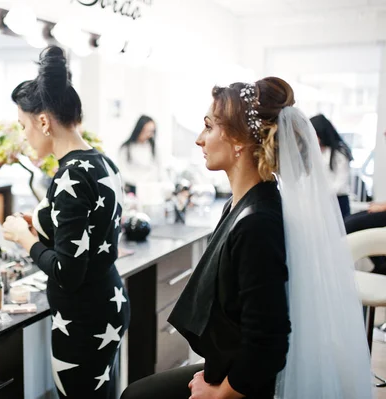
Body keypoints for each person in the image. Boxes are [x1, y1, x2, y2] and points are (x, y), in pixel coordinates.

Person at [121, 78, 372, 399]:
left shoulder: (258, 224)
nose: (199, 140)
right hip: (226, 363)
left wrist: (219, 393)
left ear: (239, 140)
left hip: (248, 383)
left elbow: (268, 342)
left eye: (209, 127)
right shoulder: (239, 205)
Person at [1, 46, 130, 399]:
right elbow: (92, 228)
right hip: (108, 303)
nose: (24, 135)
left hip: (84, 318)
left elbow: (68, 271)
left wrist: (24, 239)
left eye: (23, 125)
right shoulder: (103, 163)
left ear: (43, 122)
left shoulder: (70, 177)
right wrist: (42, 226)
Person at [310, 114, 353, 218]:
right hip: (321, 202)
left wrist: (322, 194)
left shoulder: (339, 152)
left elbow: (341, 183)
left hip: (338, 201)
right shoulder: (314, 152)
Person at [117, 115, 164, 194]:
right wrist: (138, 183)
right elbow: (122, 171)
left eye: (152, 131)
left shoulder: (154, 148)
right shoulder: (126, 148)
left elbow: (159, 169)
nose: (149, 134)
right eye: (146, 131)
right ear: (139, 129)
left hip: (151, 189)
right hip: (132, 189)